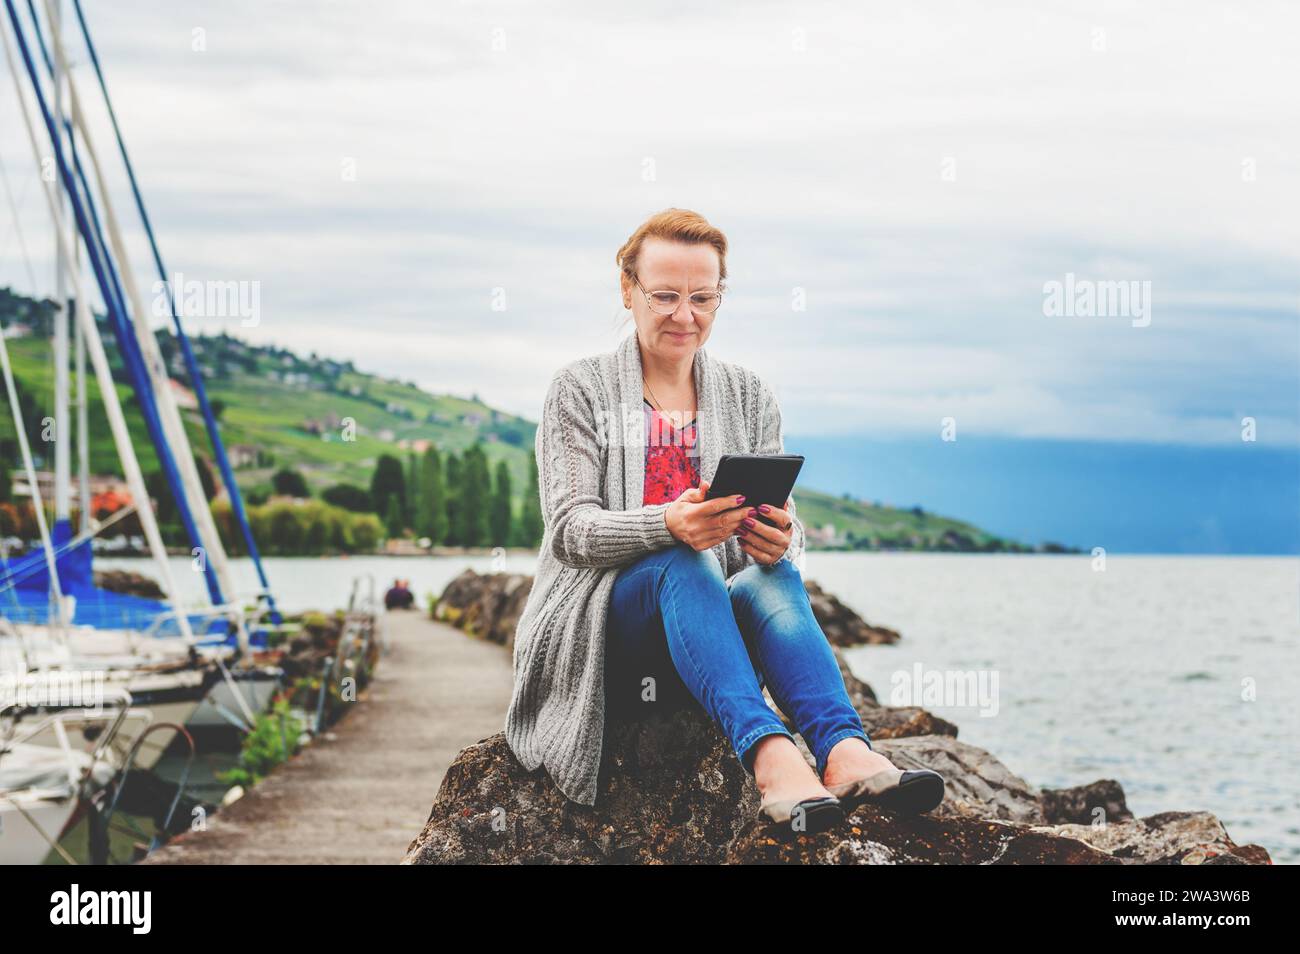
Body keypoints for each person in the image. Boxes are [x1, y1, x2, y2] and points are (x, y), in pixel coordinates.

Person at [505, 208, 944, 833]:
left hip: (709, 644)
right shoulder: (580, 389)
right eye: (664, 296)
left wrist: (782, 539)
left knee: (774, 577)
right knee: (679, 560)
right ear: (627, 290)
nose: (685, 316)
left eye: (702, 298)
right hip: (605, 640)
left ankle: (845, 752)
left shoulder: (748, 394)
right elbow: (571, 532)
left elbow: (775, 530)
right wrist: (669, 526)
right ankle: (771, 758)